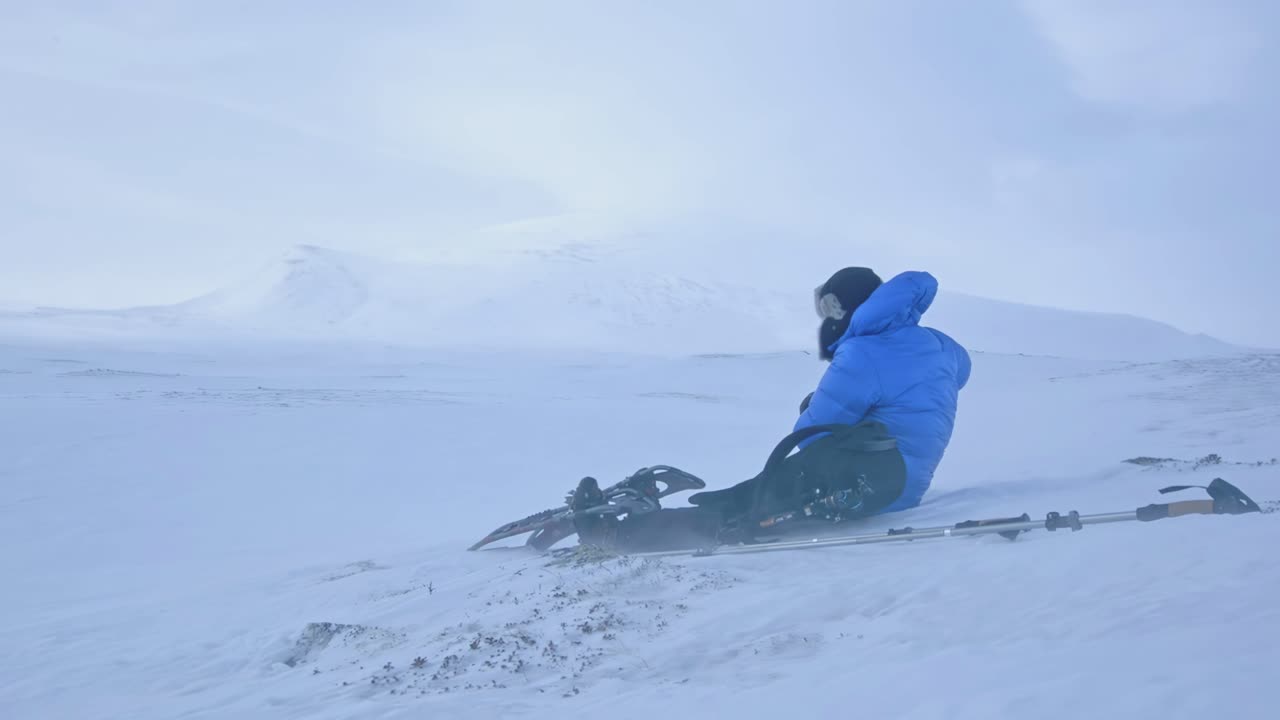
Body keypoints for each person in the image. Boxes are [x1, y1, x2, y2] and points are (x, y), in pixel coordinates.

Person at [572, 267, 971, 552]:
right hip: (903, 484)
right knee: (756, 492)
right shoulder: (940, 344)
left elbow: (814, 432)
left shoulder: (864, 353)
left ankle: (615, 536)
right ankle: (692, 509)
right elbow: (953, 376)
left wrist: (813, 409)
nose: (830, 318)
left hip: (869, 478)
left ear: (851, 306)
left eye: (832, 307)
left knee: (750, 510)